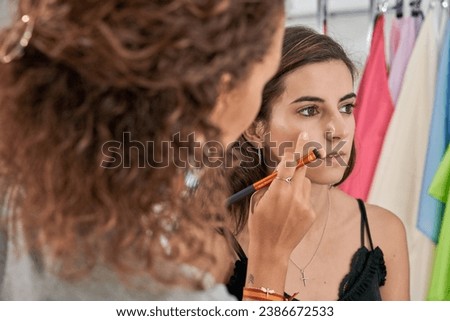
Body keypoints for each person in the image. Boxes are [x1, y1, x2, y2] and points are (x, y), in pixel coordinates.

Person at [0, 0, 313, 300]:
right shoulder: (161, 291)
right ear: (220, 92)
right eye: (265, 81)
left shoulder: (24, 183)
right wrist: (270, 260)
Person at [227, 25, 410, 301]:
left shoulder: (385, 231)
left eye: (346, 107)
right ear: (255, 129)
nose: (339, 130)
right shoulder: (209, 242)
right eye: (310, 110)